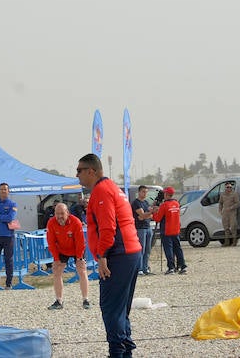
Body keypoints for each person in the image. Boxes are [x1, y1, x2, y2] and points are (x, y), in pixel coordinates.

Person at [77, 153, 141, 358]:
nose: (77, 175)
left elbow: (107, 227)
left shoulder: (102, 191)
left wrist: (102, 256)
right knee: (121, 308)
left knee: (111, 308)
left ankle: (117, 352)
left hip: (118, 254)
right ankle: (126, 351)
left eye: (79, 171)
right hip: (129, 252)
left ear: (91, 171)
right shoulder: (113, 187)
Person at [45, 201, 90, 309]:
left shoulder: (76, 222)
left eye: (62, 213)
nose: (59, 216)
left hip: (76, 248)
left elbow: (80, 242)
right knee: (57, 271)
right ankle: (59, 300)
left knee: (82, 270)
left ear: (67, 213)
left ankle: (85, 299)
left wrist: (79, 258)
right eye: (57, 213)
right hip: (61, 249)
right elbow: (51, 242)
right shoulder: (51, 223)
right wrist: (56, 259)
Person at [154, 187, 186, 274]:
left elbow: (157, 218)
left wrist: (154, 212)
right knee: (178, 249)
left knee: (168, 249)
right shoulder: (176, 203)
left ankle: (171, 267)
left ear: (167, 194)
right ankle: (182, 266)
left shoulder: (164, 205)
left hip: (167, 231)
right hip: (176, 230)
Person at [131, 185, 153, 275]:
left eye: (146, 192)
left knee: (148, 249)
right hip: (140, 228)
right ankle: (139, 268)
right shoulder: (136, 203)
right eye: (143, 192)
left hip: (148, 227)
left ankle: (145, 267)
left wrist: (146, 215)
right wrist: (148, 214)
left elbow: (148, 216)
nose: (145, 194)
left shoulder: (146, 202)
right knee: (141, 249)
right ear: (139, 192)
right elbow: (142, 215)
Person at [219, 180, 239, 247]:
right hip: (225, 213)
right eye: (227, 187)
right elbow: (220, 203)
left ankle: (234, 242)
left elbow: (238, 203)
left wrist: (231, 207)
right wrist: (220, 210)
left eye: (230, 187)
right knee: (226, 228)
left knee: (233, 227)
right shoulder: (222, 194)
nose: (229, 188)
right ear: (225, 187)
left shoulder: (235, 194)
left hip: (232, 213)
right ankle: (226, 242)